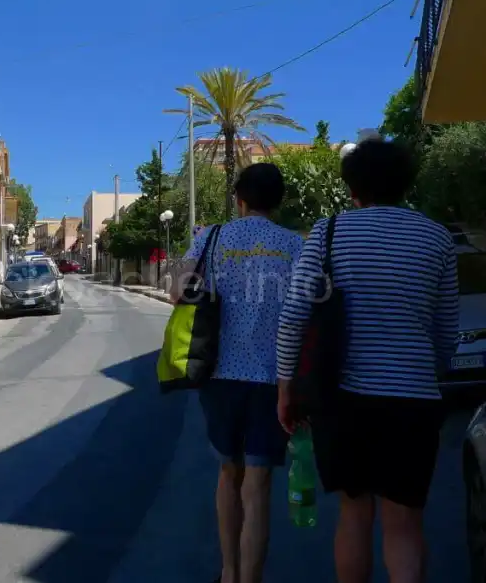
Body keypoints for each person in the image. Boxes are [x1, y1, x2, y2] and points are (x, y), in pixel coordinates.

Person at [276, 138, 459, 583]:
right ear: (406, 183)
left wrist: (286, 389)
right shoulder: (438, 238)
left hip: (343, 401)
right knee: (405, 523)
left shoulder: (329, 232)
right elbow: (446, 333)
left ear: (352, 187)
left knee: (354, 514)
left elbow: (295, 315)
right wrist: (423, 375)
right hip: (414, 404)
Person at [175, 163, 303, 583]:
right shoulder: (294, 246)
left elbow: (177, 292)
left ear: (239, 200)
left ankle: (228, 573)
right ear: (279, 202)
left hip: (220, 374)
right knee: (259, 482)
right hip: (275, 377)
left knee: (229, 473)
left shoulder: (211, 238)